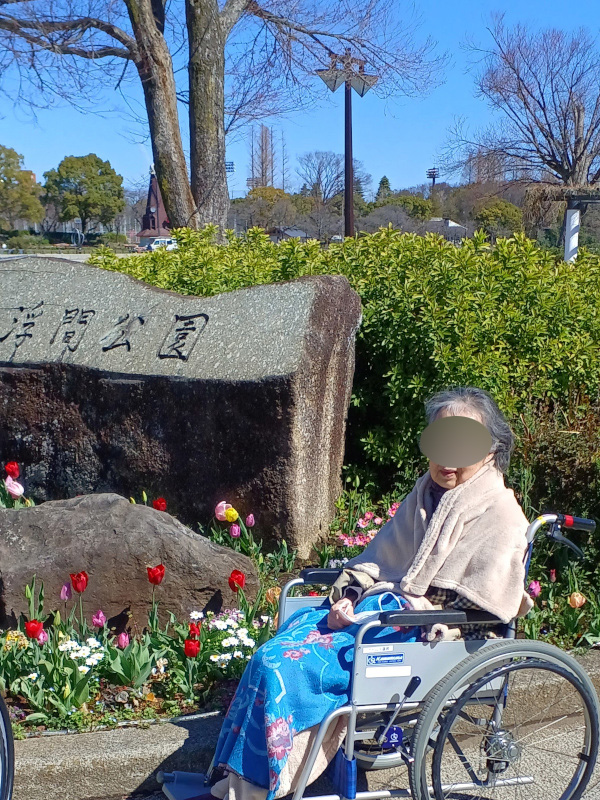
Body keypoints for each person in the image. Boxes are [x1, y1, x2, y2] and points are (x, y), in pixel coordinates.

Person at [197, 387, 532, 800]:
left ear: (488, 450)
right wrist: (348, 597)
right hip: (379, 616)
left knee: (282, 668)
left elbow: (481, 603)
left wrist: (402, 608)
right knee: (271, 654)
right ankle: (239, 782)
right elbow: (378, 562)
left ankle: (256, 788)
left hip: (428, 633)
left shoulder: (501, 512)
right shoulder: (425, 496)